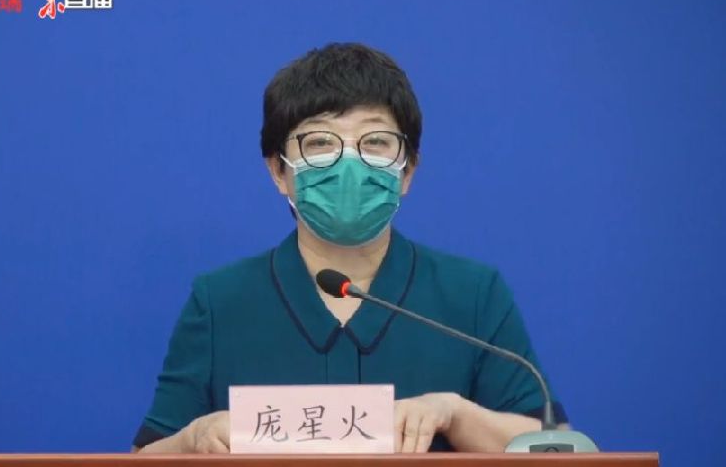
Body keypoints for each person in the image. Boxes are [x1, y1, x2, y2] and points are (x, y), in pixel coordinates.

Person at [133, 42, 567, 454]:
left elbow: (556, 446)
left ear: (407, 171)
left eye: (375, 142)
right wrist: (193, 438)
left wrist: (454, 414)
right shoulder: (219, 302)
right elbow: (145, 456)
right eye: (320, 143)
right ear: (278, 172)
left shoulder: (471, 294)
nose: (349, 165)